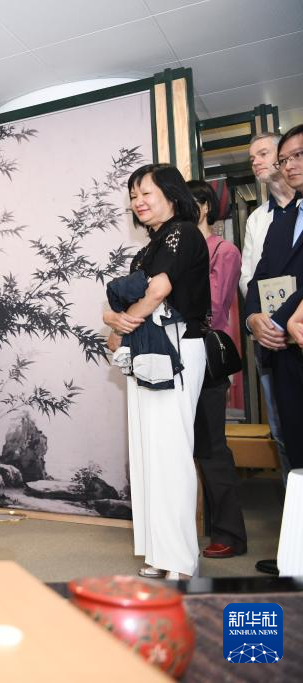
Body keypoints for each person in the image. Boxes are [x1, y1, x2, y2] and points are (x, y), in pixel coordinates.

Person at [104, 164, 209, 580]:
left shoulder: (182, 232)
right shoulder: (148, 248)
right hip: (148, 349)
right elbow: (131, 304)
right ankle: (159, 552)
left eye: (146, 193)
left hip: (178, 346)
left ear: (171, 194)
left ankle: (180, 558)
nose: (138, 202)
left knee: (171, 452)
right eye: (133, 196)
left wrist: (120, 322)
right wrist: (116, 322)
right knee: (149, 451)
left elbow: (159, 291)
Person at [244, 124, 303, 575]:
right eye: (286, 159)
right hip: (283, 354)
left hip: (293, 336)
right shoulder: (279, 219)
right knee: (295, 448)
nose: (289, 165)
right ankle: (297, 555)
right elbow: (257, 280)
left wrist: (282, 319)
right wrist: (254, 320)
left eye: (297, 155)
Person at [186, 180, 246, 560]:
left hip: (208, 359)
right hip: (177, 358)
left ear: (206, 206)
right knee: (183, 448)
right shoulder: (179, 250)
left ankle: (230, 533)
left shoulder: (224, 251)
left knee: (211, 448)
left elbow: (214, 305)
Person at [240, 133, 297, 482]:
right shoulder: (259, 220)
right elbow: (250, 278)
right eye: (252, 158)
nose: (256, 162)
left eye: (263, 153)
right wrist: (254, 319)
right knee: (282, 431)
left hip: (298, 330)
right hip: (270, 339)